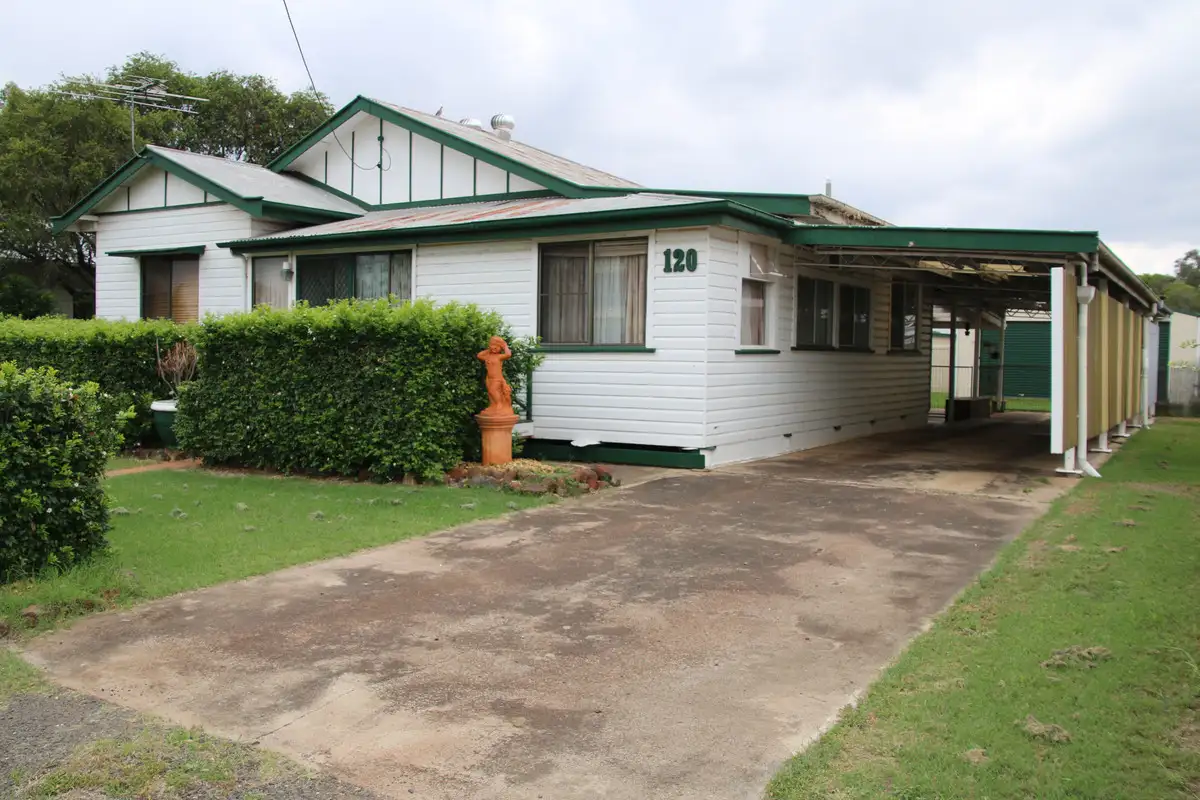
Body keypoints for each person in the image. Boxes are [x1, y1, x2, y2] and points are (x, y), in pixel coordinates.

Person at [477, 336, 513, 415]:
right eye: (492, 345)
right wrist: (489, 350)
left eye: (497, 346)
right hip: (489, 378)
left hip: (497, 378)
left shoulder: (499, 357)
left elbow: (508, 354)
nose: (495, 348)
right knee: (490, 393)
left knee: (492, 390)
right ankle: (493, 406)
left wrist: (505, 346)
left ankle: (499, 404)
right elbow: (479, 355)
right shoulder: (487, 357)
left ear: (501, 348)